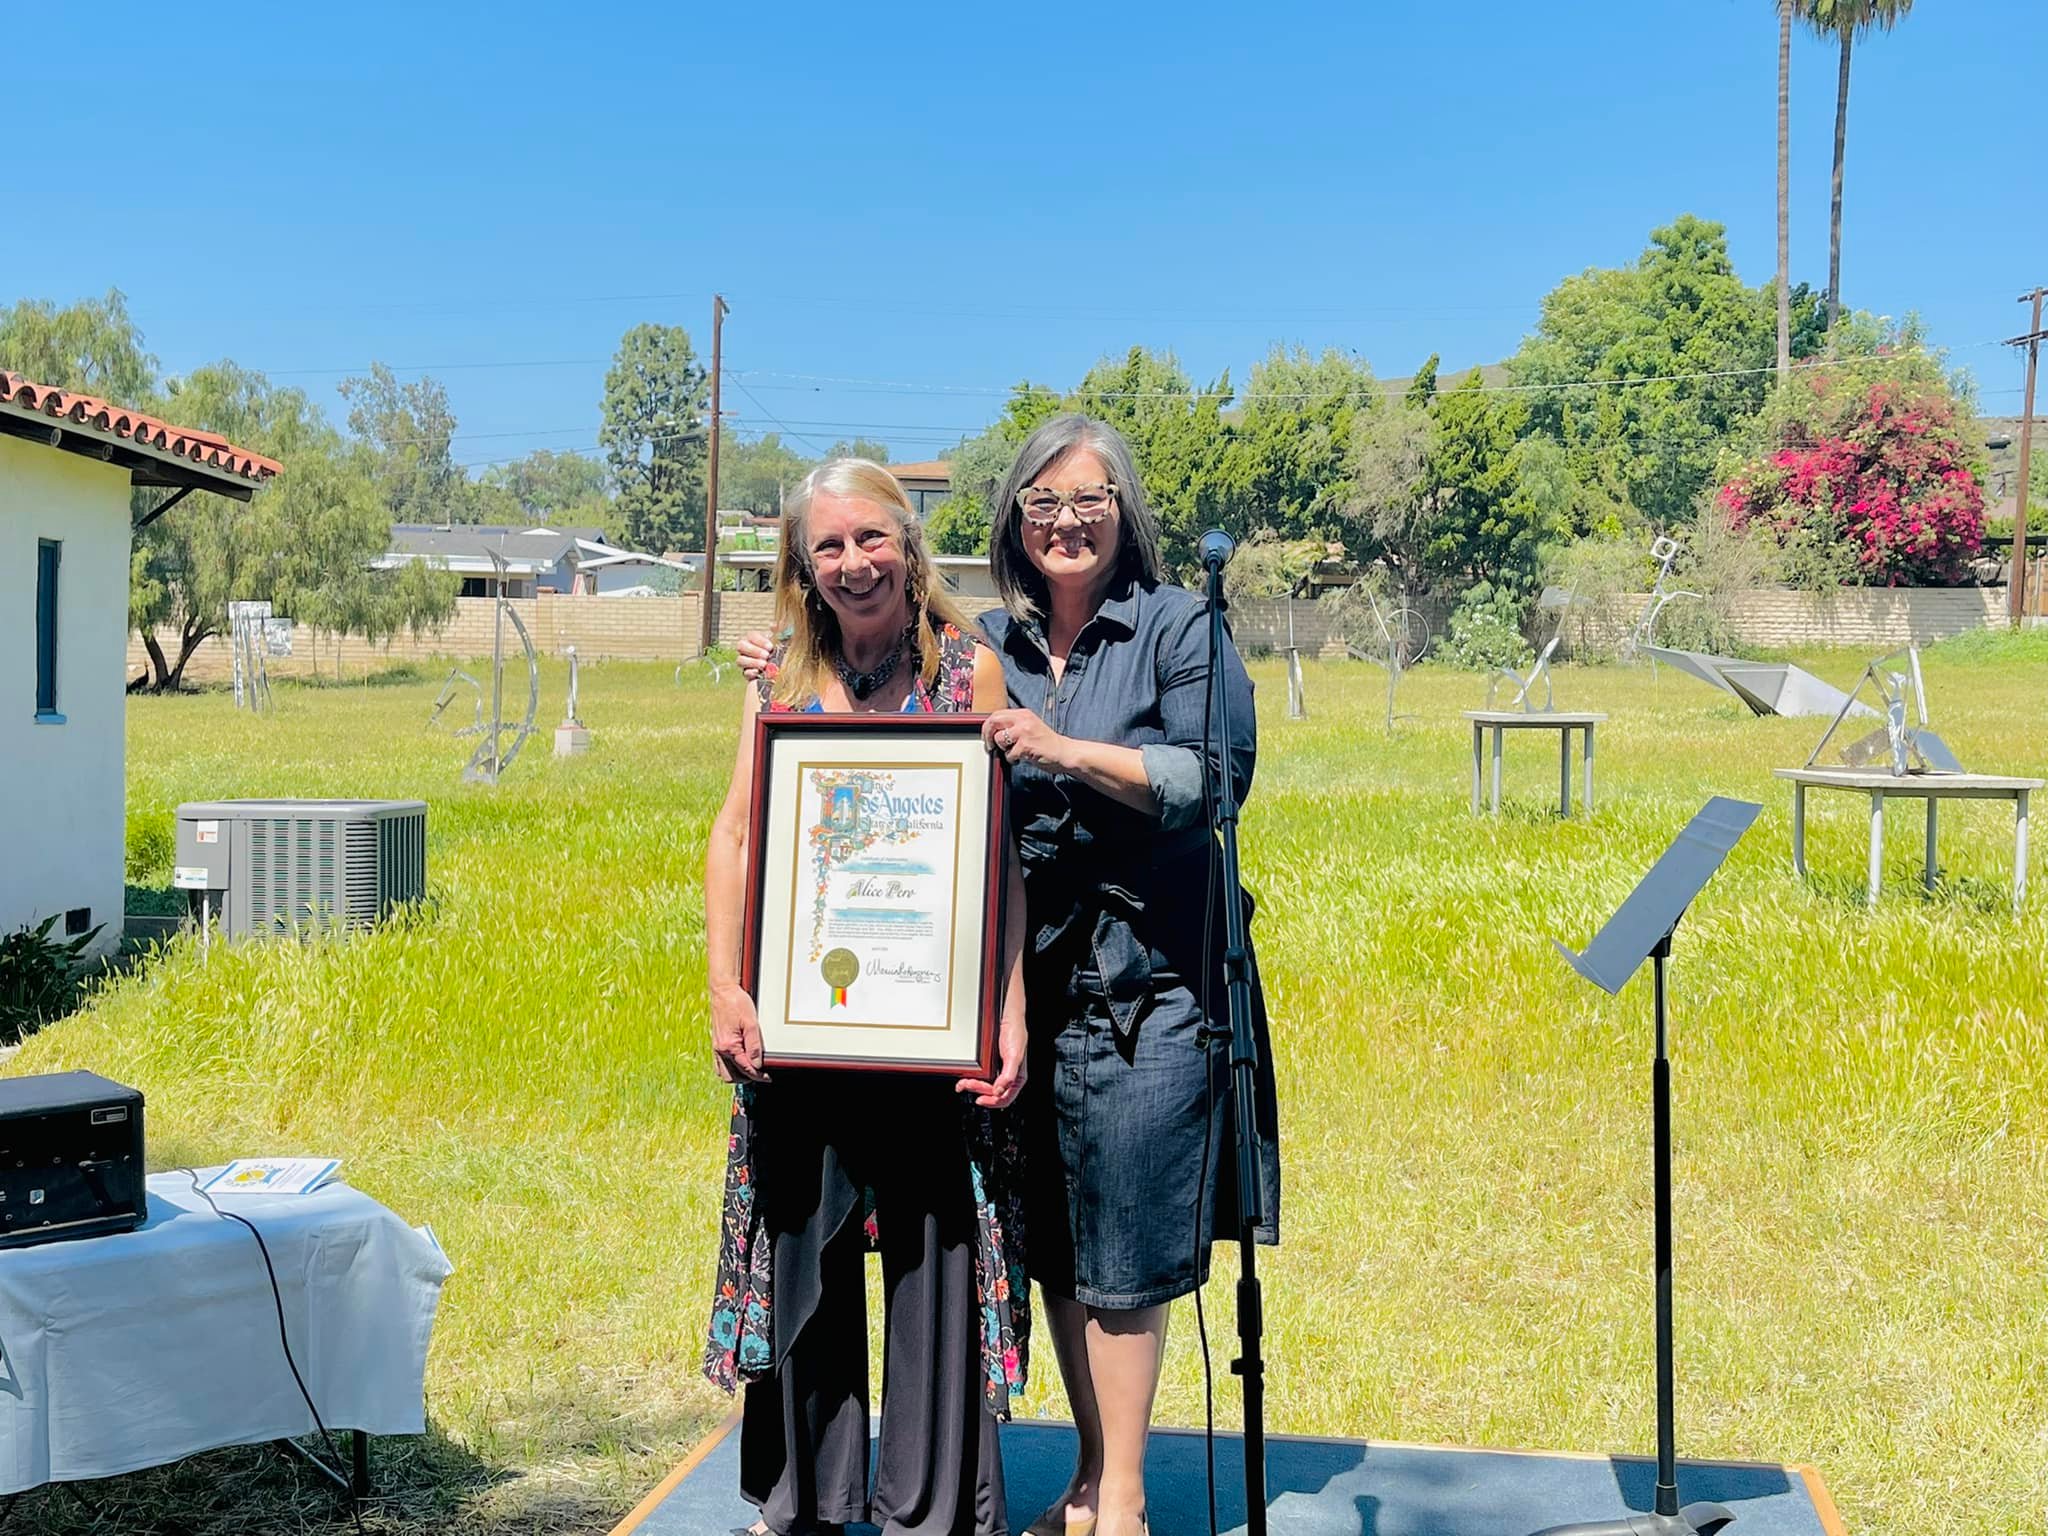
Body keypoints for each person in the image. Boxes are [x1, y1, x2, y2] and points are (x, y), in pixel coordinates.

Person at [740, 420, 1281, 1536]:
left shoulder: (1181, 626)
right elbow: (872, 665)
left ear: (1124, 510)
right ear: (1011, 524)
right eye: (1040, 505)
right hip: (1015, 988)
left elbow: (1210, 778)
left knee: (1125, 1245)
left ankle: (1120, 1497)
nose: (1064, 523)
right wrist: (786, 675)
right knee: (1053, 1246)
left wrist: (1061, 748)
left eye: (1085, 501)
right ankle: (1082, 1476)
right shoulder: (990, 639)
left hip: (1150, 984)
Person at [702, 458, 1031, 1536]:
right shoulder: (783, 680)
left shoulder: (969, 673)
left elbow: (1001, 859)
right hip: (803, 1025)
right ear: (805, 565)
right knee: (806, 1245)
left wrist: (1009, 1011)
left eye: (869, 539)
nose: (851, 563)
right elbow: (739, 835)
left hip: (933, 1032)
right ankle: (808, 1493)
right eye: (827, 547)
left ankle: (927, 1505)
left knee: (934, 1254)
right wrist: (726, 986)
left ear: (908, 544)